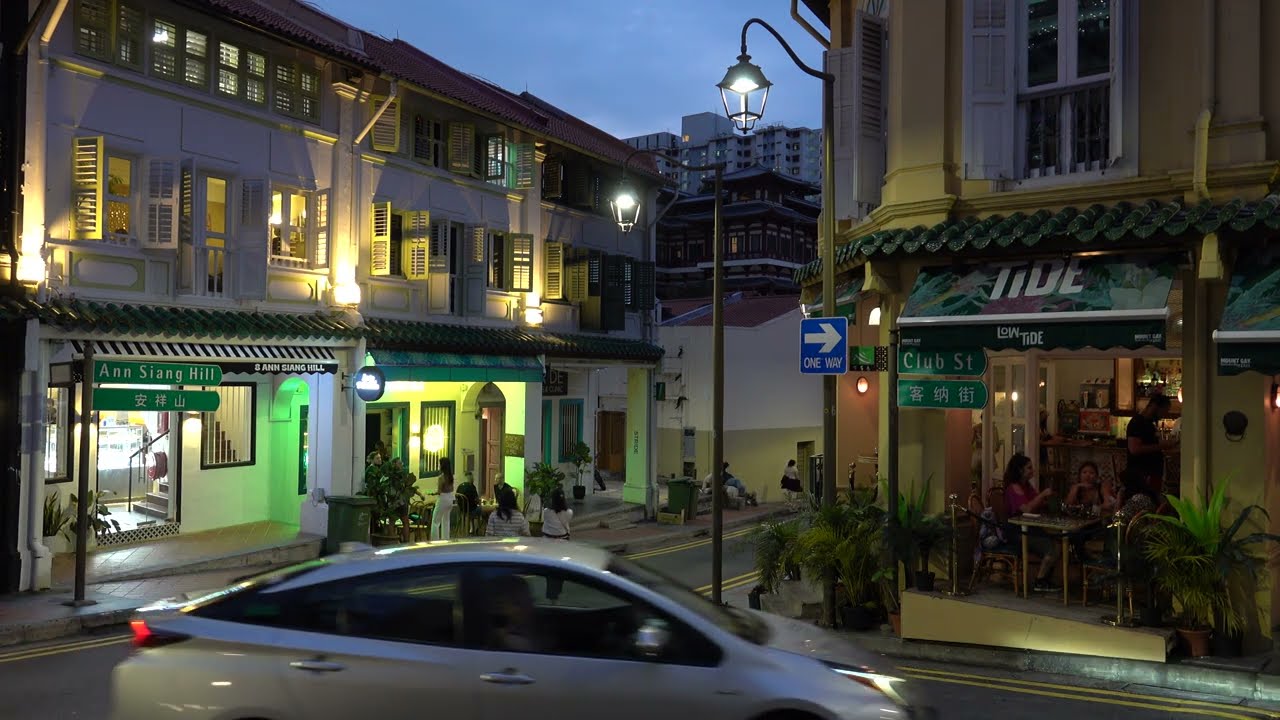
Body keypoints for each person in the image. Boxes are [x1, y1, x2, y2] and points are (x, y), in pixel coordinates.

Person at [1002, 453, 1061, 591]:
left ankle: (1045, 579)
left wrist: (1049, 501)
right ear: (1019, 470)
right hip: (1017, 530)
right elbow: (1026, 509)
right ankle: (1040, 581)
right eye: (1029, 468)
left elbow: (1037, 504)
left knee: (1058, 542)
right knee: (1051, 548)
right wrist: (1042, 495)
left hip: (1030, 527)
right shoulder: (1014, 488)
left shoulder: (1027, 486)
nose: (1032, 470)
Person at [1127, 394, 1172, 496]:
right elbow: (1134, 449)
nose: (1164, 414)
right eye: (1164, 411)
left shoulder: (1149, 424)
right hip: (1142, 475)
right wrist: (1163, 446)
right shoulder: (1137, 422)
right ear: (1155, 406)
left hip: (1151, 474)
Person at [429, 458, 455, 541]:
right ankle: (446, 539)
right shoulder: (451, 477)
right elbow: (451, 489)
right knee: (446, 520)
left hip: (443, 498)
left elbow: (439, 491)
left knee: (435, 521)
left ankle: (435, 539)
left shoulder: (441, 477)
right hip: (450, 498)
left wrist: (432, 493)